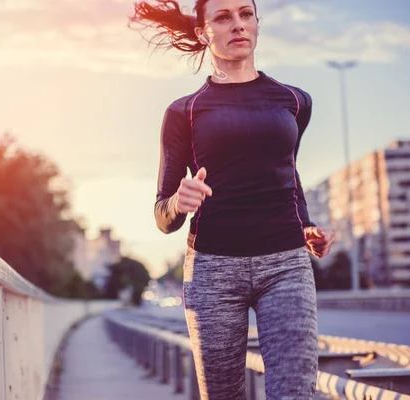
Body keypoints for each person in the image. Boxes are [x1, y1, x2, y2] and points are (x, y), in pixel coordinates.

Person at [129, 0, 336, 399]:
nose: (238, 25)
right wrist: (179, 201)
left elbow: (287, 172)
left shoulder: (295, 101)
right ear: (202, 31)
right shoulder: (183, 112)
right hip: (213, 271)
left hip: (286, 265)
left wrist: (306, 225)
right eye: (223, 17)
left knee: (296, 393)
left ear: (257, 23)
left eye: (246, 14)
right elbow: (162, 215)